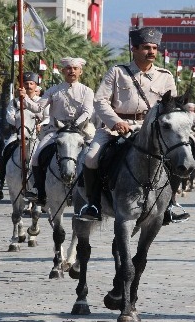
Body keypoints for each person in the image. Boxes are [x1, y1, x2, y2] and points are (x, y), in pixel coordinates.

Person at [78, 27, 188, 224]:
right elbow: (100, 100)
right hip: (117, 126)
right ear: (134, 49)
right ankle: (93, 204)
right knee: (91, 157)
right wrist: (116, 122)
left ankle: (169, 204)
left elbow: (170, 108)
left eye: (155, 48)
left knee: (175, 157)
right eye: (146, 47)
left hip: (151, 130)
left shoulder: (166, 76)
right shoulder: (118, 72)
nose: (152, 52)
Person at [20, 58, 94, 206]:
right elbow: (38, 108)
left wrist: (74, 126)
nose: (71, 71)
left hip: (81, 131)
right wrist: (25, 99)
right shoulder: (53, 90)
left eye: (74, 68)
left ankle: (94, 194)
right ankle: (39, 191)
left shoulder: (87, 91)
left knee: (94, 156)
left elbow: (87, 112)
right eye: (68, 68)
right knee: (36, 157)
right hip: (56, 131)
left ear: (80, 71)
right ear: (62, 71)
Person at [2, 71, 49, 186]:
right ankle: (1, 177)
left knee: (49, 152)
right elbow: (9, 117)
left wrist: (41, 124)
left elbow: (48, 117)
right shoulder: (15, 102)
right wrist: (19, 124)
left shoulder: (42, 101)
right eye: (26, 83)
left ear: (35, 85)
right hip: (19, 132)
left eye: (31, 83)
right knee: (6, 149)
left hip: (38, 134)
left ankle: (47, 179)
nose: (29, 86)